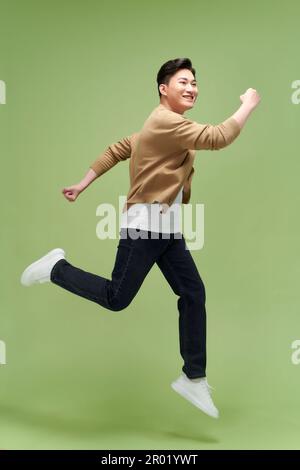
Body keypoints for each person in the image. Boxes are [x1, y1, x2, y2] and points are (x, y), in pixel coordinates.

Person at [20, 58, 260, 419]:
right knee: (117, 298)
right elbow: (218, 137)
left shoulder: (163, 126)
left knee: (193, 292)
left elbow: (121, 146)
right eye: (183, 81)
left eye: (195, 82)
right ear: (164, 89)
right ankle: (56, 268)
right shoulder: (166, 121)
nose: (192, 88)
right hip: (144, 227)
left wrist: (83, 183)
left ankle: (193, 377)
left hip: (167, 232)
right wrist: (248, 105)